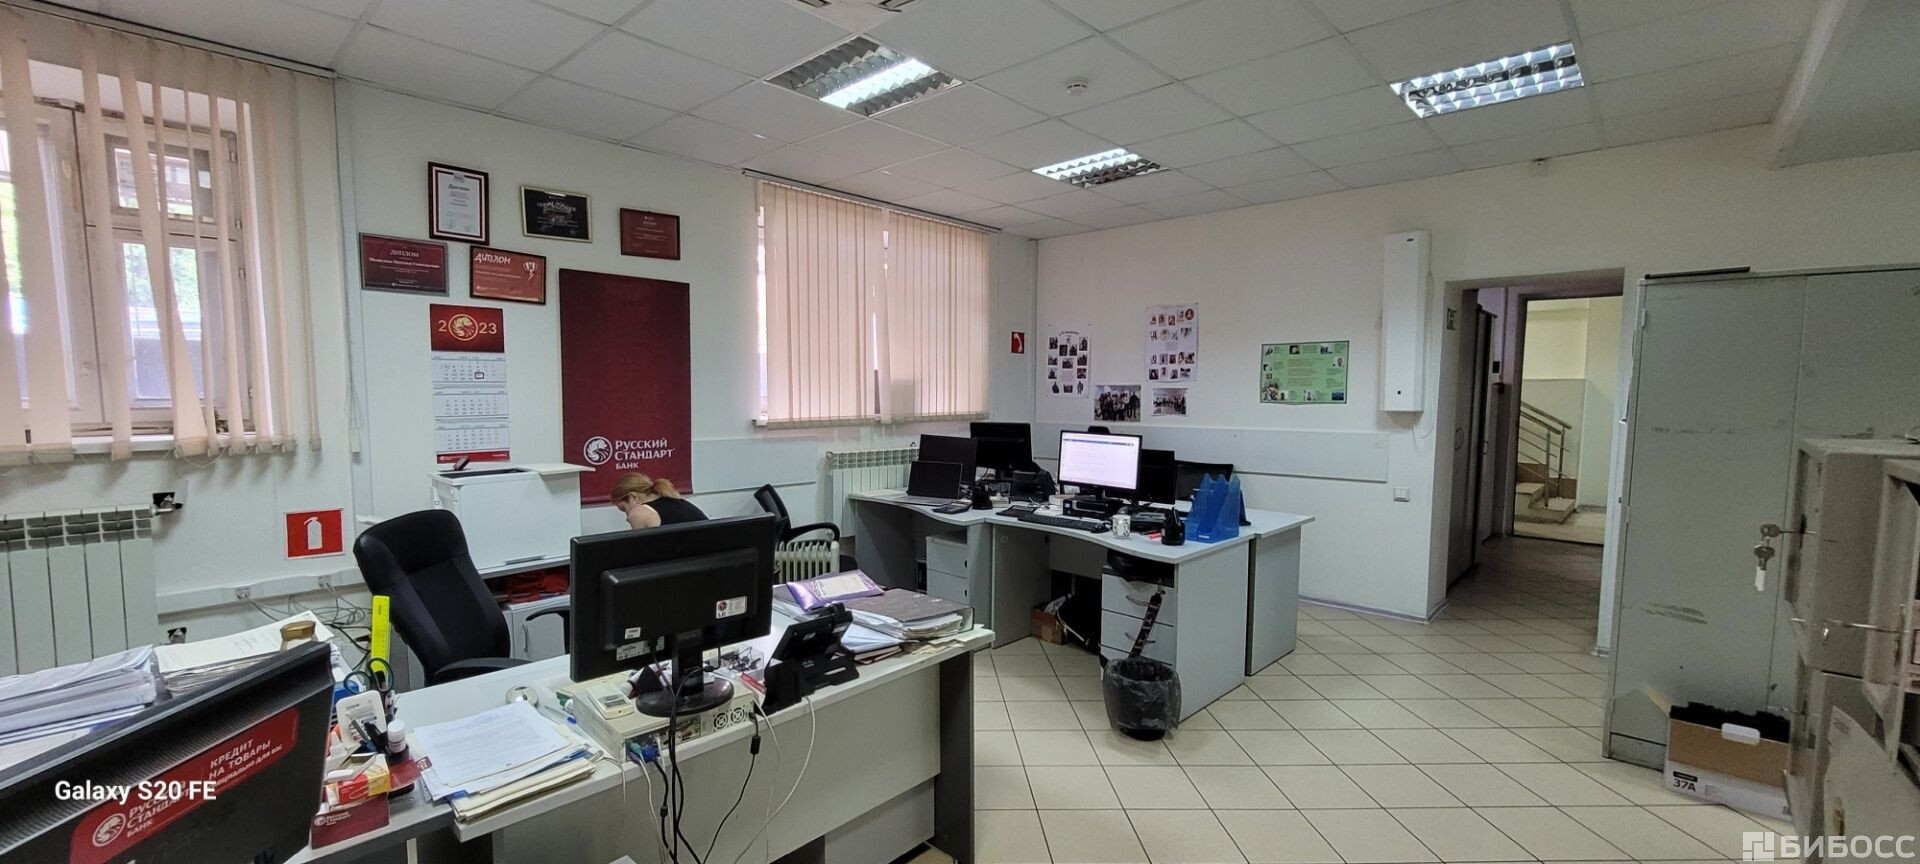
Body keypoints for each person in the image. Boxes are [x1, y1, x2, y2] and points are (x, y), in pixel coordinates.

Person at [611, 472, 706, 529]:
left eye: (624, 509)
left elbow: (640, 552)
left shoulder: (639, 513)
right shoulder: (679, 502)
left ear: (633, 497)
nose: (627, 518)